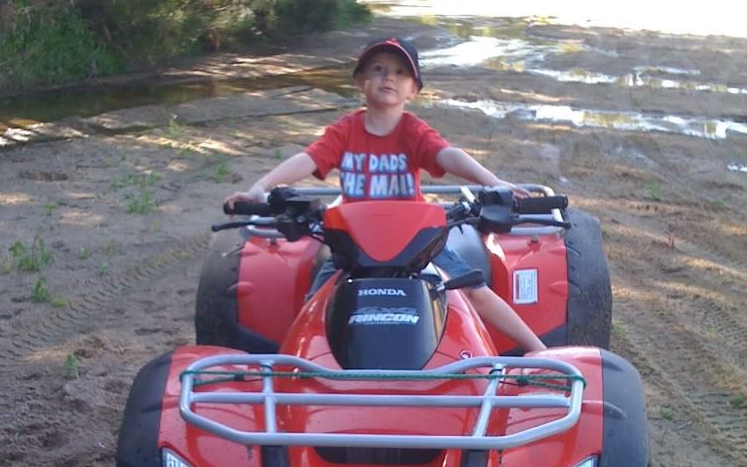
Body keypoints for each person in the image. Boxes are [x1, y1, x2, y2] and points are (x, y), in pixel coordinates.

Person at [224, 36, 545, 353]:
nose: (388, 77)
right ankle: (293, 370)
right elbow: (308, 159)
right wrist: (260, 187)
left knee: (474, 291)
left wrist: (493, 182)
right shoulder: (345, 131)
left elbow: (448, 155)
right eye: (377, 69)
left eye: (399, 72)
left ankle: (539, 350)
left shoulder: (412, 131)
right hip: (353, 245)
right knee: (315, 304)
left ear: (413, 89)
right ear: (361, 81)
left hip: (417, 242)